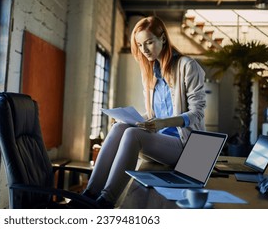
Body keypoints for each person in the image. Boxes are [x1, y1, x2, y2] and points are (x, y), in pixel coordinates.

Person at [82, 16, 206, 208]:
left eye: (149, 42)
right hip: (161, 141)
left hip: (189, 148)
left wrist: (162, 123)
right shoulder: (149, 71)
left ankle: (106, 201)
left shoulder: (187, 66)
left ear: (163, 38)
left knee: (132, 134)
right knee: (120, 128)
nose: (144, 50)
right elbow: (152, 115)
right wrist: (130, 120)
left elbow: (197, 114)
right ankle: (89, 195)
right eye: (140, 45)